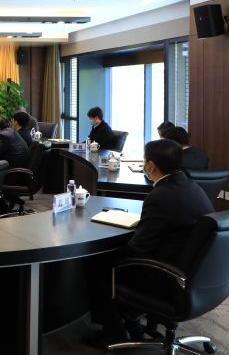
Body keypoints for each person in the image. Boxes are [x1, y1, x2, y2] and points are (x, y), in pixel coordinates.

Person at [85, 139, 214, 346]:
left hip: (166, 276)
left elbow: (139, 248)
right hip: (194, 274)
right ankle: (132, 321)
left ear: (151, 166)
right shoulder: (193, 187)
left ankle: (113, 332)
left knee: (98, 263)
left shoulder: (160, 195)